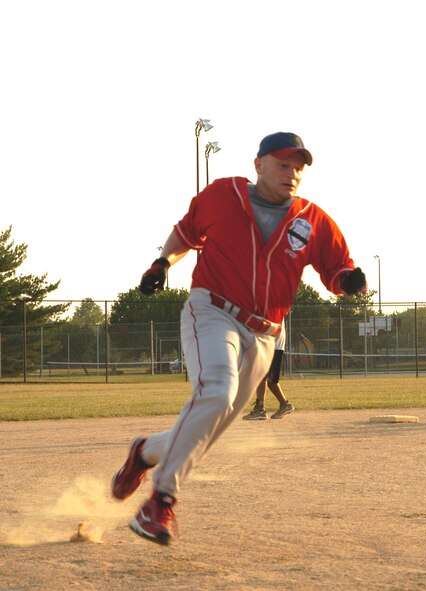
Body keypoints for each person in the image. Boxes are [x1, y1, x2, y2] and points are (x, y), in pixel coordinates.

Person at [110, 131, 366, 545]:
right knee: (217, 390)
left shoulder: (312, 220)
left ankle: (143, 452)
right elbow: (186, 233)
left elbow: (337, 268)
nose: (292, 173)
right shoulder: (222, 195)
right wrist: (162, 262)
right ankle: (160, 501)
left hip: (266, 334)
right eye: (283, 164)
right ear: (259, 164)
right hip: (212, 310)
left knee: (208, 426)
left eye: (298, 167)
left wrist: (349, 280)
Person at [242, 321, 294, 420]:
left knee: (262, 376)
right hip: (273, 344)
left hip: (272, 344)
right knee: (270, 380)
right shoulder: (270, 306)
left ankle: (260, 409)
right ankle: (284, 405)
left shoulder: (269, 307)